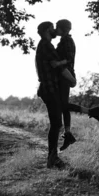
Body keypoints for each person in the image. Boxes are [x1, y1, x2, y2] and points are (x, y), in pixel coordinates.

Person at [55, 19, 99, 152]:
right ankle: (68, 134)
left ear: (63, 29)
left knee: (64, 105)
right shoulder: (64, 40)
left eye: (57, 27)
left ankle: (92, 111)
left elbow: (69, 59)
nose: (55, 29)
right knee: (64, 106)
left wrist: (57, 64)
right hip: (63, 75)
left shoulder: (67, 41)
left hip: (65, 75)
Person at [35, 21, 76, 168]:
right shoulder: (46, 45)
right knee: (56, 124)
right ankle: (52, 159)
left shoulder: (45, 45)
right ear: (47, 30)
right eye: (52, 28)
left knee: (56, 123)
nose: (54, 30)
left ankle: (53, 158)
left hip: (49, 89)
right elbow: (60, 66)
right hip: (49, 89)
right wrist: (72, 80)